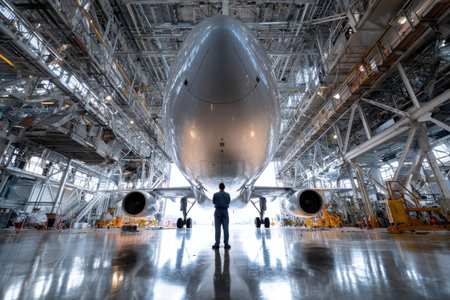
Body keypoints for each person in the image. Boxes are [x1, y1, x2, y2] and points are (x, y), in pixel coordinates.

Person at [212, 182, 231, 249]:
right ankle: (226, 244)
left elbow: (213, 202)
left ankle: (217, 244)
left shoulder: (215, 194)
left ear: (219, 187)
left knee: (217, 229)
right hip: (225, 211)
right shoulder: (227, 194)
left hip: (217, 212)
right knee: (226, 229)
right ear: (224, 187)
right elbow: (229, 202)